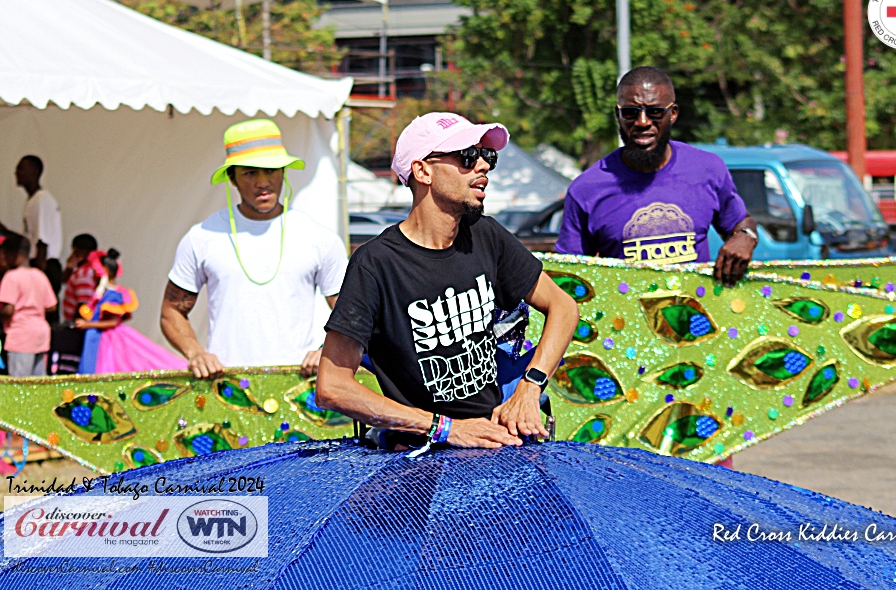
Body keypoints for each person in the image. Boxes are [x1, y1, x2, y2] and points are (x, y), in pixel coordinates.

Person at [315, 112, 580, 450]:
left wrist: (530, 387)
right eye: (467, 157)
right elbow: (332, 386)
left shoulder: (486, 234)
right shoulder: (375, 263)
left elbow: (563, 306)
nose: (482, 166)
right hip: (417, 459)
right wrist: (445, 429)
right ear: (422, 170)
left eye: (488, 156)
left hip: (495, 443)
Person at [161, 119, 348, 379]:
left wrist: (327, 349)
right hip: (226, 387)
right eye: (250, 173)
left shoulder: (319, 238)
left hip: (299, 389)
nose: (263, 182)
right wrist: (196, 353)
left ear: (283, 172)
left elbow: (351, 314)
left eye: (271, 170)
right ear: (232, 178)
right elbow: (171, 312)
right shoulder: (202, 237)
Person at [555, 66, 758, 286]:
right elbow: (569, 276)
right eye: (630, 112)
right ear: (618, 115)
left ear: (673, 114)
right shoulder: (586, 189)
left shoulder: (708, 169)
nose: (642, 122)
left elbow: (741, 222)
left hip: (695, 317)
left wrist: (745, 236)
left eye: (655, 112)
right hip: (622, 318)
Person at [74, 249, 187, 375]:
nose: (93, 275)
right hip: (97, 338)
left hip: (106, 342)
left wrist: (88, 325)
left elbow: (113, 322)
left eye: (95, 272)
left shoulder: (113, 296)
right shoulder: (106, 294)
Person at [0, 155, 63, 323]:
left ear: (35, 172)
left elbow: (42, 242)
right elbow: (30, 238)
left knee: (43, 315)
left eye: (21, 168)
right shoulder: (33, 201)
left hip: (44, 264)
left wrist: (37, 277)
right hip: (40, 264)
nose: (16, 172)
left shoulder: (41, 200)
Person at [0, 233, 57, 377]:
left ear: (13, 255)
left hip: (21, 336)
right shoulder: (39, 275)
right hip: (41, 334)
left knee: (20, 384)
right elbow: (51, 306)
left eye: (4, 255)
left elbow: (8, 310)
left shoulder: (11, 277)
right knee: (38, 382)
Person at [61, 233, 100, 322]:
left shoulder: (84, 274)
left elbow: (84, 305)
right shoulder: (92, 270)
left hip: (80, 325)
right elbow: (63, 280)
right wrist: (69, 267)